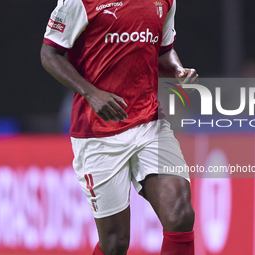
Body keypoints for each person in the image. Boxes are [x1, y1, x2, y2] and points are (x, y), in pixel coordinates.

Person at [40, 0, 197, 254]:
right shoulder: (79, 2)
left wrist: (178, 71)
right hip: (98, 133)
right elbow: (49, 54)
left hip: (149, 123)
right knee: (115, 243)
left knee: (180, 213)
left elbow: (164, 51)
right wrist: (91, 93)